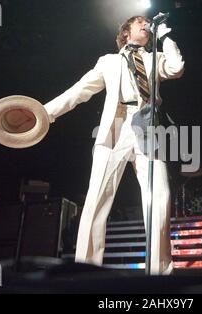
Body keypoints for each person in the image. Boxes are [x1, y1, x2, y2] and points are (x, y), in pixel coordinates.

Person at [43, 15, 184, 274]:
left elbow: (176, 68)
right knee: (97, 199)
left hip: (148, 128)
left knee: (160, 197)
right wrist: (45, 113)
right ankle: (86, 269)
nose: (146, 24)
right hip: (115, 129)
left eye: (147, 23)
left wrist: (164, 37)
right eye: (140, 21)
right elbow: (79, 91)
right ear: (126, 32)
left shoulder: (155, 57)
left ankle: (159, 273)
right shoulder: (108, 62)